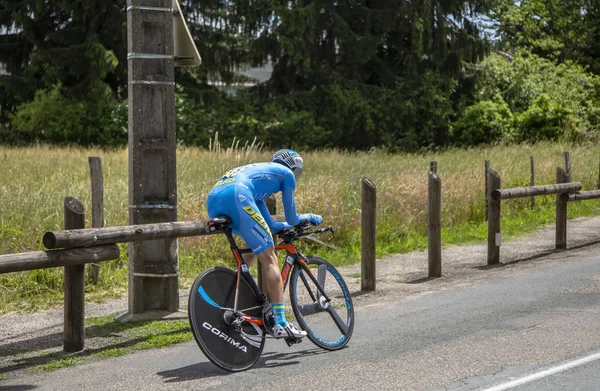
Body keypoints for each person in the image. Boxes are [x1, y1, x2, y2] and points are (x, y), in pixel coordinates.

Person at [206, 149, 322, 340]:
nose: (296, 176)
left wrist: (280, 227)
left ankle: (236, 294)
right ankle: (281, 323)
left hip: (215, 199)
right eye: (298, 172)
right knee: (270, 258)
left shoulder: (261, 177)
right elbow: (293, 218)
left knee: (255, 247)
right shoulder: (286, 175)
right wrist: (310, 217)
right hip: (238, 194)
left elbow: (271, 225)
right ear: (293, 167)